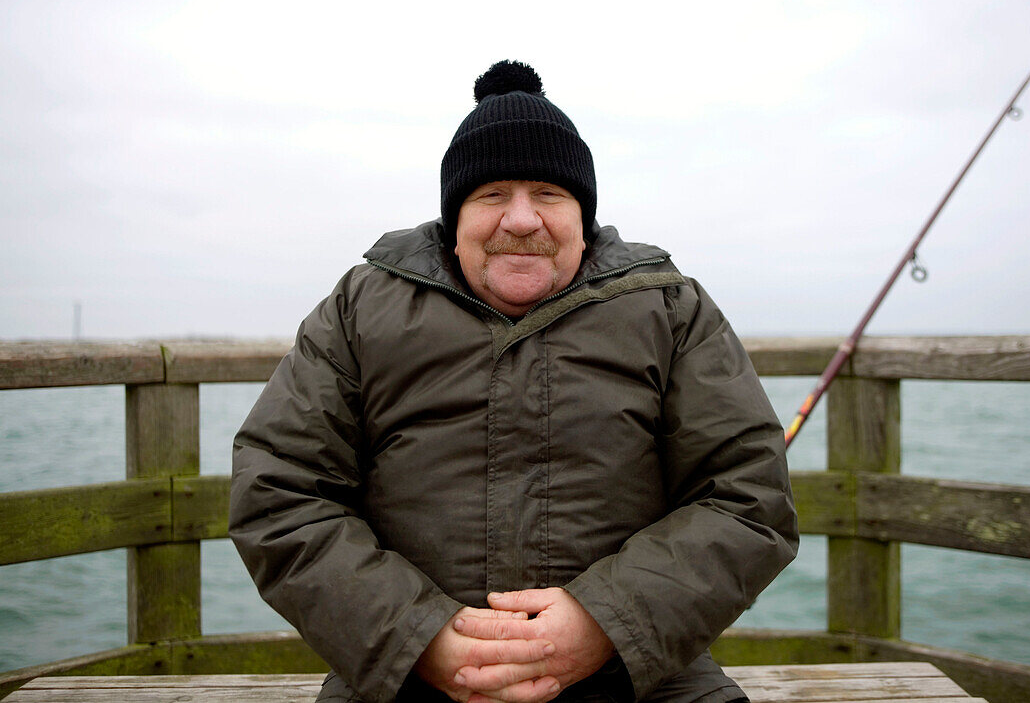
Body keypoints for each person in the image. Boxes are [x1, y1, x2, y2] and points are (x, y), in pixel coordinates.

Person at [230, 60, 798, 703]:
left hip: (643, 679)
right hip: (402, 681)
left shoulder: (670, 308)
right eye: (492, 194)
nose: (521, 220)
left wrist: (608, 622)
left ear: (583, 217)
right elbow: (278, 491)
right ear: (454, 219)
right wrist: (414, 637)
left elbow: (748, 496)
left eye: (549, 195)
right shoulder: (360, 309)